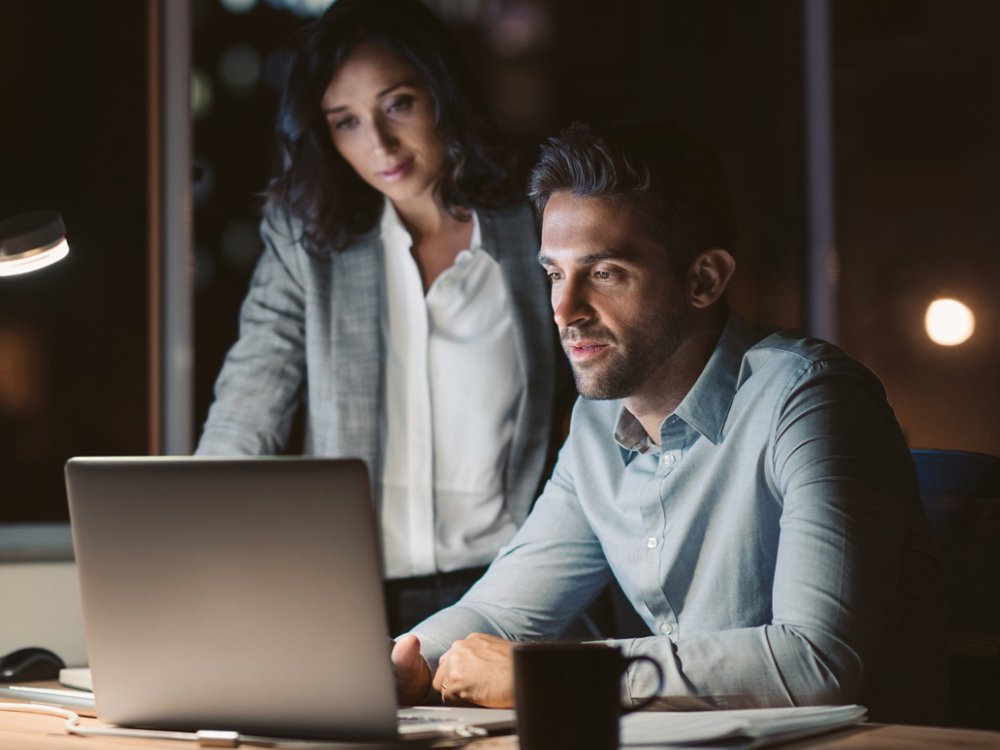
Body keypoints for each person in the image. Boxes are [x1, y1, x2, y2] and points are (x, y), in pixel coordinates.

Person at [392, 120, 946, 724]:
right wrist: (392, 664)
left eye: (604, 273)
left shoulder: (811, 401)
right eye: (554, 273)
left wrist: (550, 677)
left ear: (704, 279)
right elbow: (499, 615)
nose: (564, 309)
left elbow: (818, 661)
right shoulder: (597, 427)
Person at [195, 0, 570, 634]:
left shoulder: (537, 220)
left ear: (444, 93)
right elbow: (249, 400)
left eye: (398, 104)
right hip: (352, 598)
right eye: (346, 122)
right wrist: (189, 533)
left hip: (511, 592)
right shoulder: (307, 242)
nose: (379, 145)